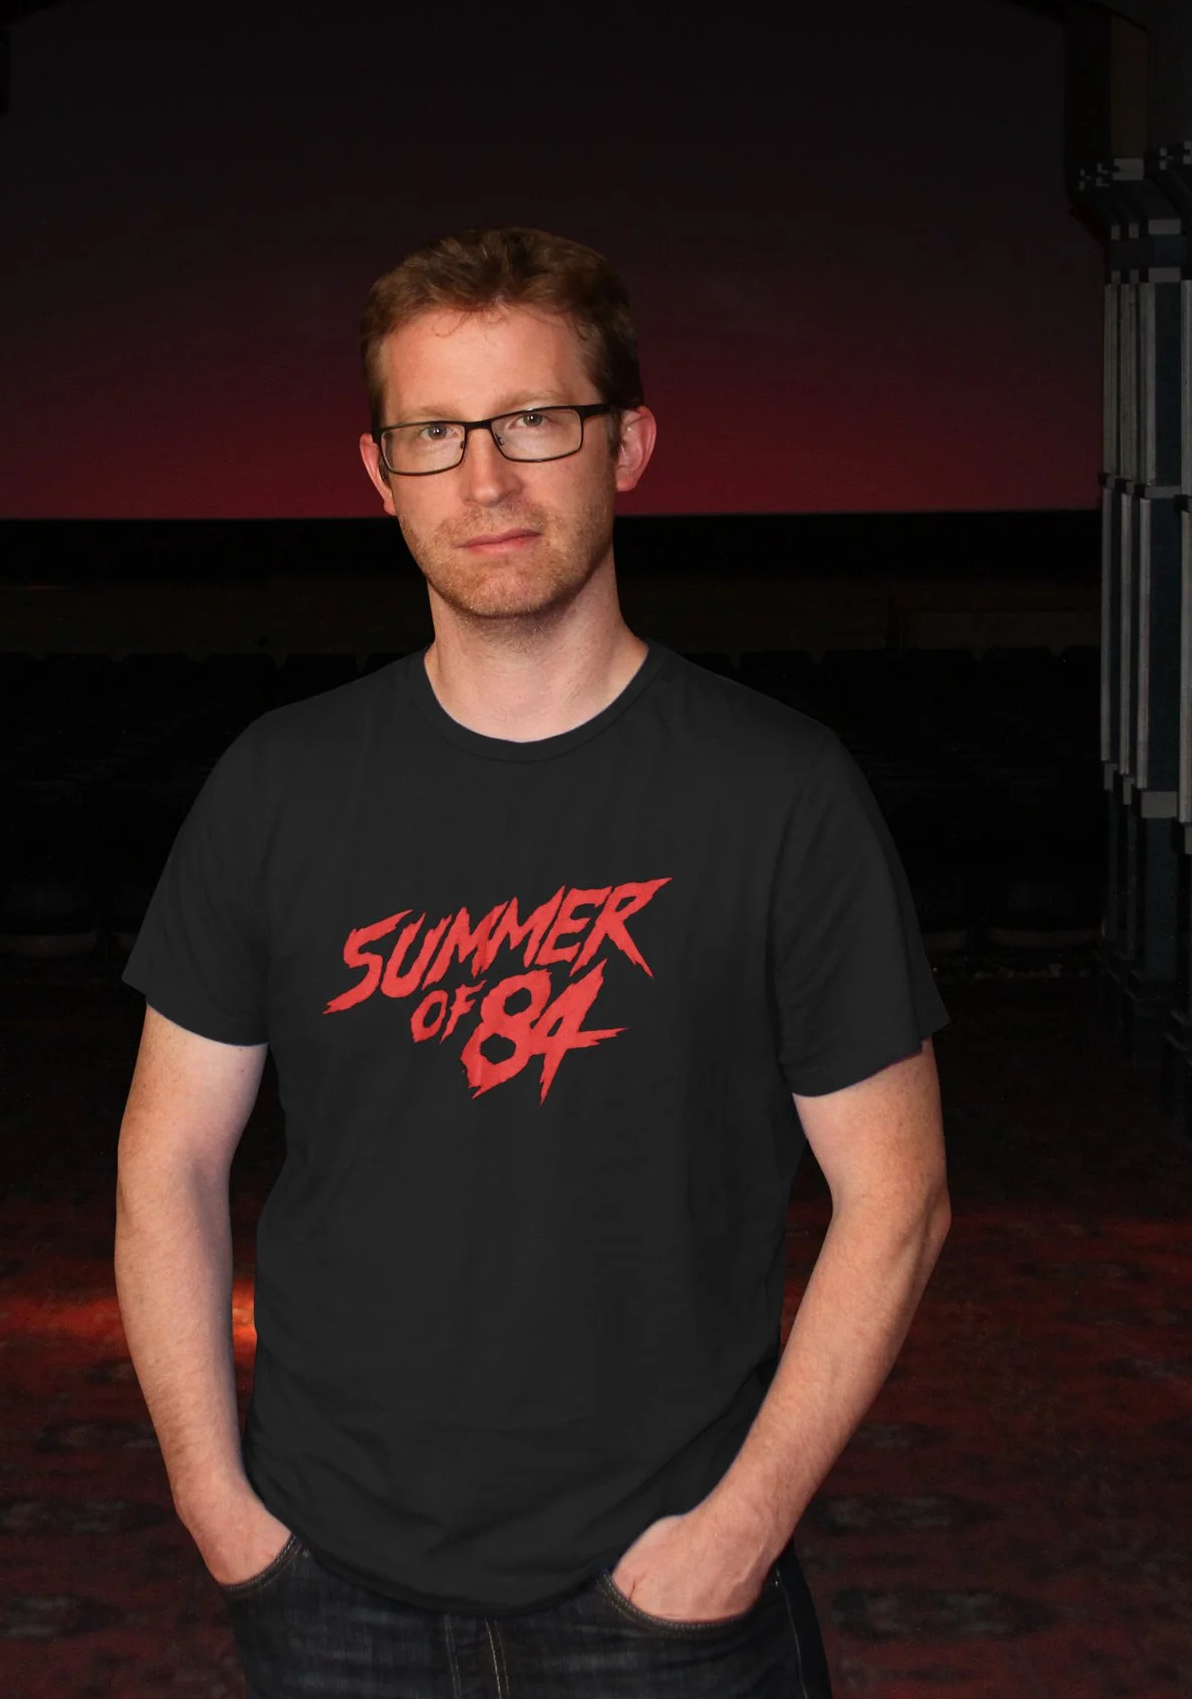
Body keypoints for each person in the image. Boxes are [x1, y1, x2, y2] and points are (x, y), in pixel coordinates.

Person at [115, 226, 951, 1697]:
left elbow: (901, 1197)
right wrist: (216, 1505)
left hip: (667, 1584)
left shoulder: (778, 790)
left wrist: (738, 1533)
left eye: (533, 422)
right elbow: (168, 1161)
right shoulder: (280, 784)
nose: (484, 480)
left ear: (627, 444)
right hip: (324, 1573)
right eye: (433, 434)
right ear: (378, 473)